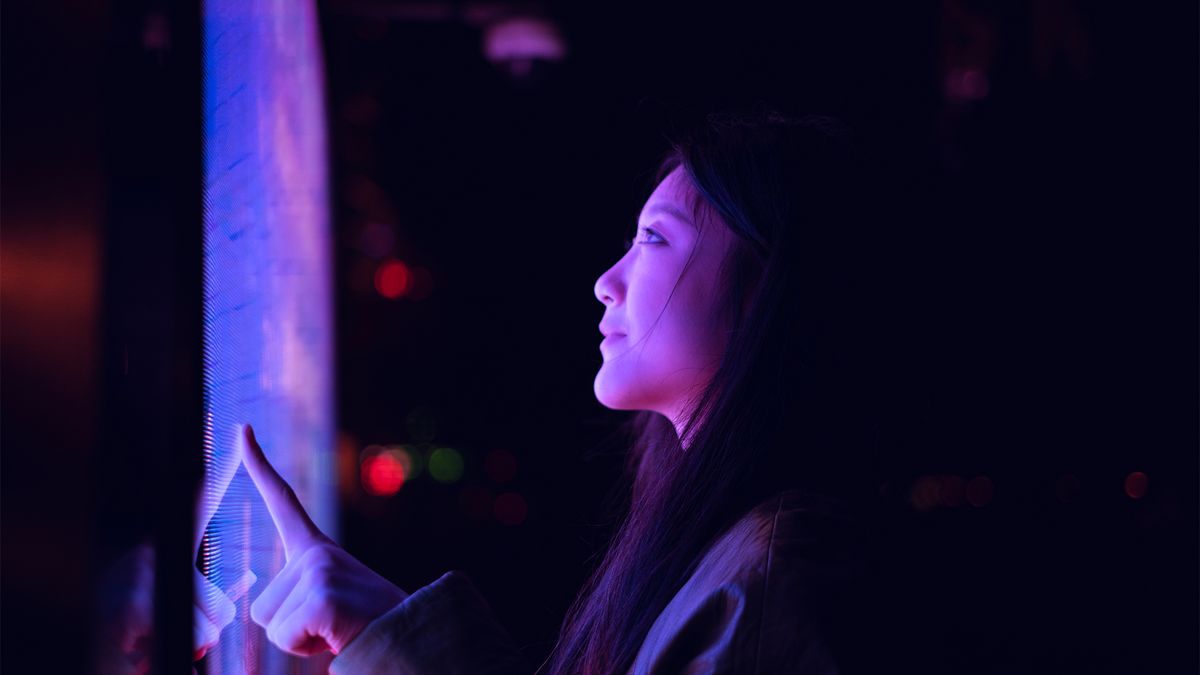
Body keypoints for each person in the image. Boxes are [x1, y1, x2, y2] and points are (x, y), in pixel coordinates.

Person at [239, 108, 890, 674]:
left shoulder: (779, 573)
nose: (608, 281)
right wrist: (387, 626)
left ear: (764, 288)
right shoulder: (741, 556)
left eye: (655, 238)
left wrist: (392, 631)